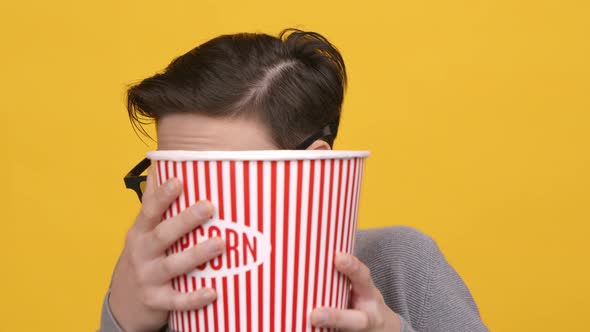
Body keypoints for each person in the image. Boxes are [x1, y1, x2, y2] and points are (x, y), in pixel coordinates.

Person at [100, 28, 489, 332]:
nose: (192, 215)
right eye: (173, 178)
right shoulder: (152, 286)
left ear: (313, 170)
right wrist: (121, 322)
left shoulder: (398, 264)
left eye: (224, 181)